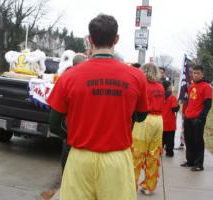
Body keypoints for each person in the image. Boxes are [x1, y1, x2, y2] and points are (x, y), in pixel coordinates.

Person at [48, 14, 148, 200]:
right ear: (116, 39)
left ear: (90, 40)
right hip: (117, 157)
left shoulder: (69, 76)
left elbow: (54, 123)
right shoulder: (136, 77)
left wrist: (74, 135)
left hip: (80, 156)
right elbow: (141, 115)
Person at [132, 63, 165, 195]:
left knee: (137, 154)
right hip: (158, 120)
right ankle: (148, 186)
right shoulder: (161, 87)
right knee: (153, 154)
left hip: (144, 120)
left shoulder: (142, 85)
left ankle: (131, 184)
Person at [181, 65, 212, 171]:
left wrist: (200, 118)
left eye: (198, 73)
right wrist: (185, 114)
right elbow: (189, 102)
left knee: (197, 141)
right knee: (188, 140)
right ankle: (190, 161)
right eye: (194, 73)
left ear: (202, 74)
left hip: (198, 119)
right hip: (188, 117)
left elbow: (208, 104)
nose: (195, 75)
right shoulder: (191, 86)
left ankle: (199, 164)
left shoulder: (206, 86)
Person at [162, 81, 180, 157]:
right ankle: (169, 152)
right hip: (170, 122)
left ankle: (159, 151)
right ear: (169, 87)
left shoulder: (160, 96)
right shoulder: (172, 97)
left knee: (161, 139)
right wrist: (178, 106)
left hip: (161, 121)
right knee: (170, 139)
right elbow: (174, 109)